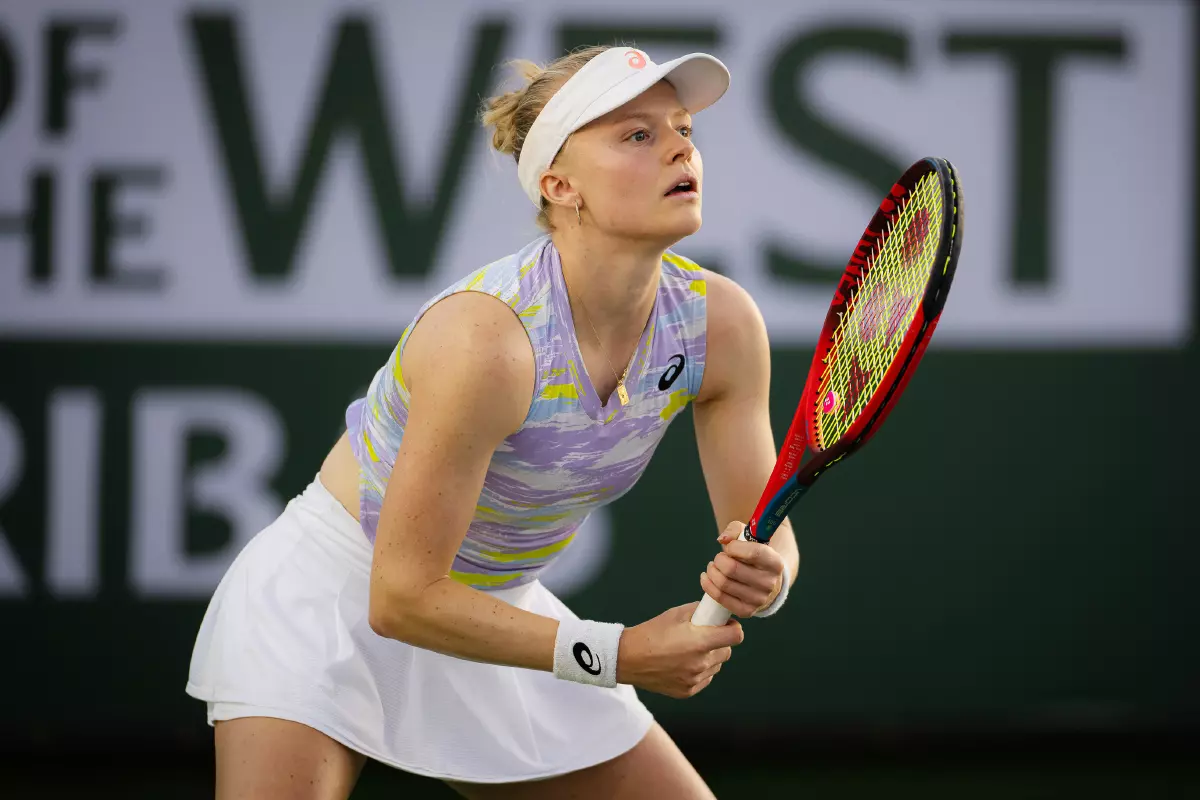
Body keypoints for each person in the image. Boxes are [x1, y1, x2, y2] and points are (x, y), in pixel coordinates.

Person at [185, 44, 800, 799]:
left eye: (683, 129)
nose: (680, 148)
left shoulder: (720, 325)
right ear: (559, 185)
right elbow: (401, 595)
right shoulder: (488, 341)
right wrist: (619, 654)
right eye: (637, 134)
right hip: (332, 602)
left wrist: (769, 575)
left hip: (496, 613)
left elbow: (764, 530)